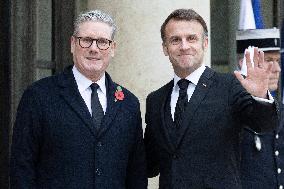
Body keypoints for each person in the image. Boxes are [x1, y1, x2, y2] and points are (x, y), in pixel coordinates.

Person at [10, 10, 147, 189]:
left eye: (103, 42)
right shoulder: (39, 96)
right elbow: (22, 169)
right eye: (86, 40)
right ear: (73, 44)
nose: (94, 48)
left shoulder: (128, 103)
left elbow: (136, 173)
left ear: (113, 48)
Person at [144, 8, 278, 189]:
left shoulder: (230, 86)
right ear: (165, 48)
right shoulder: (156, 100)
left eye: (191, 38)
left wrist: (260, 97)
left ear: (205, 43)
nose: (184, 46)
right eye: (175, 40)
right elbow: (150, 164)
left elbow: (263, 124)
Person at [236, 28, 284, 189]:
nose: (277, 69)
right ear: (245, 64)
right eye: (269, 60)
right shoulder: (228, 107)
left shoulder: (279, 108)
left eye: (278, 60)